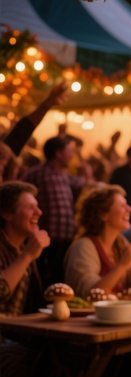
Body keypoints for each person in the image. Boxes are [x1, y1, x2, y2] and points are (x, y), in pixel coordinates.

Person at [23, 135, 90, 288]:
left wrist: (86, 172)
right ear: (58, 153)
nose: (71, 155)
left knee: (60, 280)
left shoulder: (64, 175)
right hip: (46, 239)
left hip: (66, 237)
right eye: (69, 151)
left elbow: (85, 183)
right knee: (47, 282)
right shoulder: (37, 173)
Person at [64, 184, 131, 298]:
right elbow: (91, 294)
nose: (129, 209)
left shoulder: (121, 243)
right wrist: (122, 265)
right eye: (122, 206)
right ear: (103, 215)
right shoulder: (84, 247)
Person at [0, 181, 50, 314]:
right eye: (30, 207)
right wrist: (27, 256)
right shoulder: (26, 252)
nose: (39, 212)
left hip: (20, 330)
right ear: (7, 214)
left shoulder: (25, 247)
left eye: (37, 207)